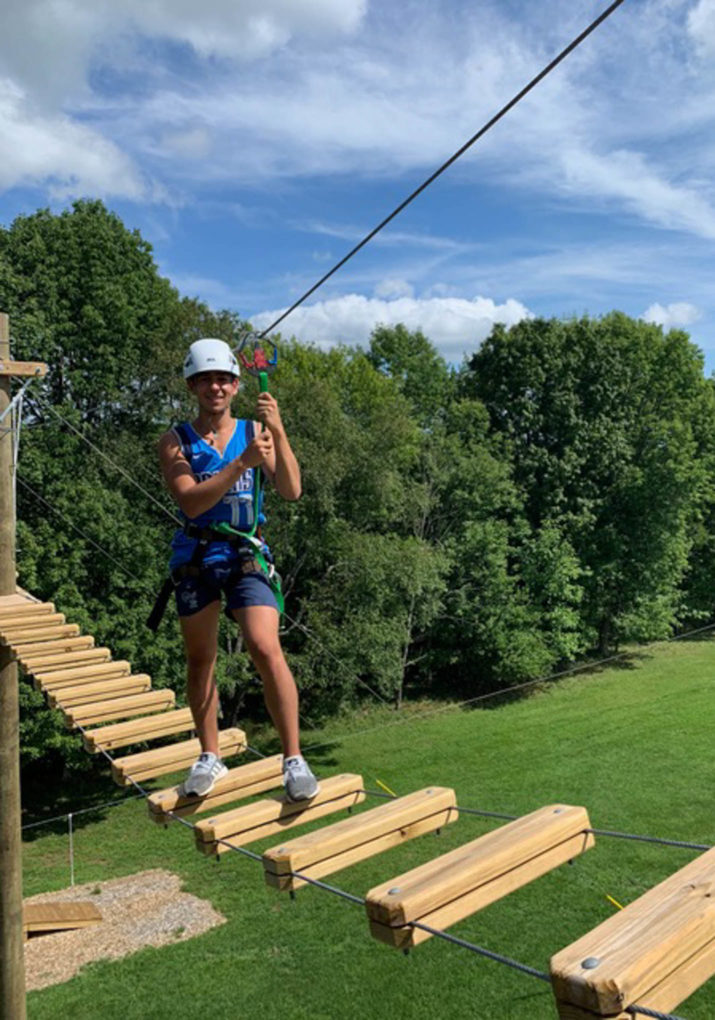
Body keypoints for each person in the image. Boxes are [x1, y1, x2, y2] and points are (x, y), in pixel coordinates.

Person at [158, 337, 319, 801]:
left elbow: (290, 490)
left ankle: (293, 759)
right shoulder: (175, 441)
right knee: (200, 658)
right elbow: (190, 501)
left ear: (235, 385)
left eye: (224, 379)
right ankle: (209, 755)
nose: (216, 387)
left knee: (265, 646)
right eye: (206, 379)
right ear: (192, 385)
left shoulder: (254, 432)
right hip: (197, 555)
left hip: (246, 553)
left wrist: (279, 431)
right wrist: (241, 465)